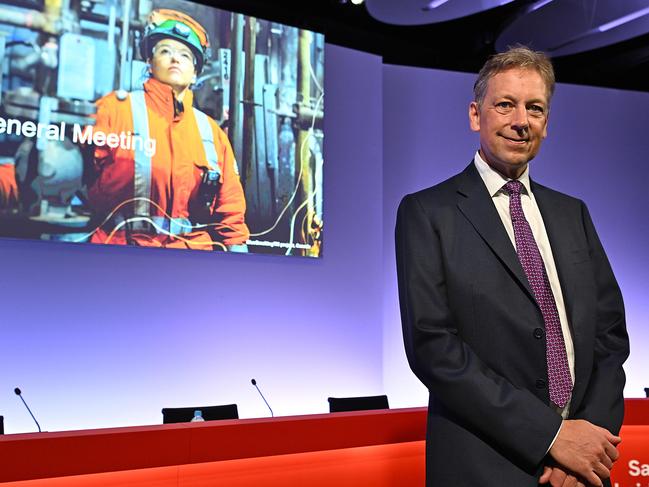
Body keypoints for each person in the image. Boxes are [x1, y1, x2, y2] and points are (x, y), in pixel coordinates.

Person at [395, 46, 629, 487]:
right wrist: (551, 437)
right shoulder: (428, 212)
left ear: (546, 123)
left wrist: (587, 446)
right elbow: (433, 347)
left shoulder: (572, 213)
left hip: (579, 472)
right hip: (484, 467)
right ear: (474, 115)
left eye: (535, 108)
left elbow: (610, 339)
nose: (521, 120)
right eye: (505, 104)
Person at [85, 9, 249, 250]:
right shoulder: (115, 109)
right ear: (150, 64)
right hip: (121, 246)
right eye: (165, 51)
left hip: (190, 254)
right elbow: (71, 174)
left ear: (195, 73)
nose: (175, 59)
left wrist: (238, 251)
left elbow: (230, 206)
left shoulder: (211, 133)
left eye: (185, 55)